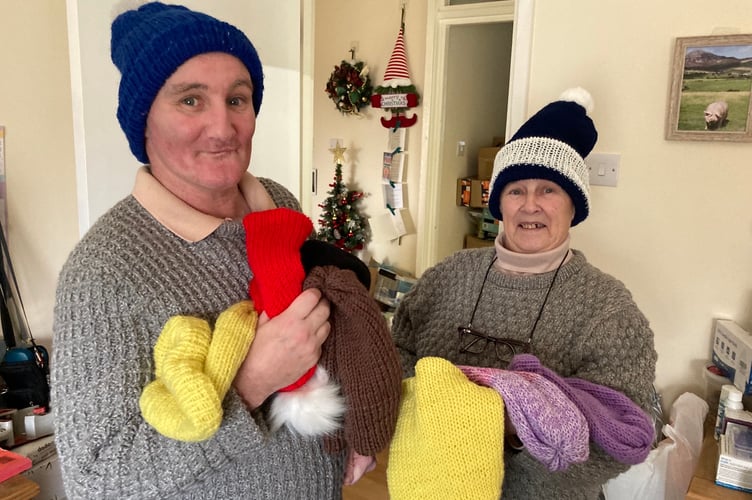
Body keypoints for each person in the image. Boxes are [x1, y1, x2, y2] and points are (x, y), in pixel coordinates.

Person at [51, 3, 371, 498]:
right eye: (191, 101)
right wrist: (250, 384)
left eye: (237, 99)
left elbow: (323, 337)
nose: (223, 128)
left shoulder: (277, 204)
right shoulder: (104, 270)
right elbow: (97, 482)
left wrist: (357, 422)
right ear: (144, 121)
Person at [389, 88, 658, 499]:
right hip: (432, 483)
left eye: (549, 190)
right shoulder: (447, 276)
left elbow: (622, 434)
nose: (530, 205)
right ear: (499, 205)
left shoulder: (608, 309)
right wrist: (429, 416)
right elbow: (399, 350)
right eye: (516, 190)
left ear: (574, 206)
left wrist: (517, 434)